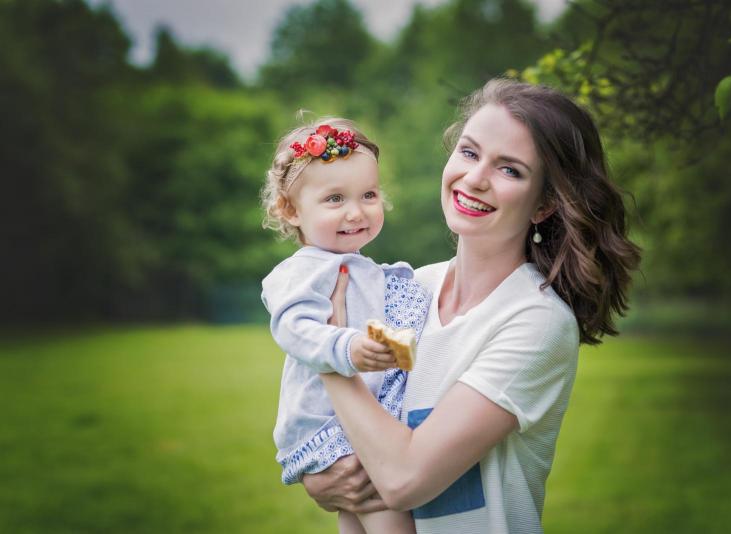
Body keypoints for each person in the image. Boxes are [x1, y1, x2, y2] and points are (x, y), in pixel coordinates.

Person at [301, 79, 642, 533]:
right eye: (468, 152)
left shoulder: (536, 320)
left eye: (510, 170)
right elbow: (349, 446)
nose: (475, 178)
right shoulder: (407, 291)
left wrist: (327, 351)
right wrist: (319, 478)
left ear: (543, 205)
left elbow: (402, 479)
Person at [259, 118, 429, 534]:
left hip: (351, 420)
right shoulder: (301, 270)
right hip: (329, 425)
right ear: (291, 210)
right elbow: (295, 329)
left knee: (355, 518)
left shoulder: (358, 266)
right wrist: (348, 346)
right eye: (335, 199)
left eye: (368, 194)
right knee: (389, 515)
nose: (356, 212)